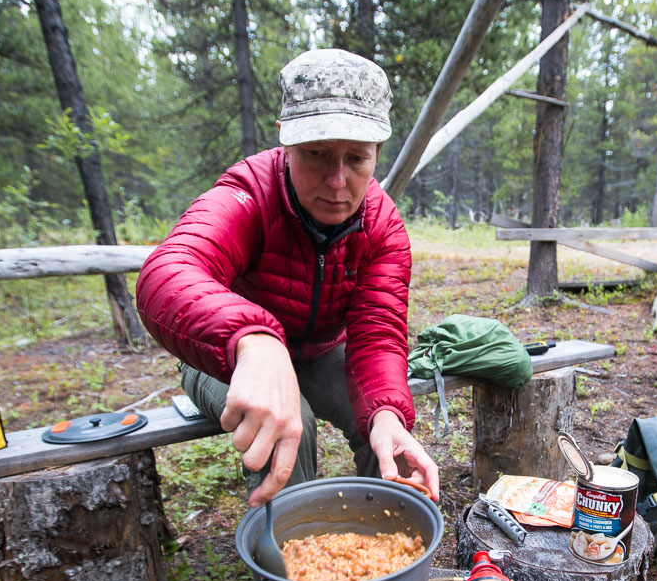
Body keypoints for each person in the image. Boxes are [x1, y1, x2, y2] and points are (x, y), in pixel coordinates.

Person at [136, 48, 439, 507]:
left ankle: (388, 548)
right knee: (290, 417)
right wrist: (253, 338)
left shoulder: (381, 224)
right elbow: (168, 271)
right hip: (226, 356)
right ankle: (286, 568)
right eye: (317, 154)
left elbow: (377, 335)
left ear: (377, 152)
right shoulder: (249, 195)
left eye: (356, 159)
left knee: (386, 430)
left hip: (319, 353)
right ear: (285, 141)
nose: (337, 181)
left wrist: (386, 414)